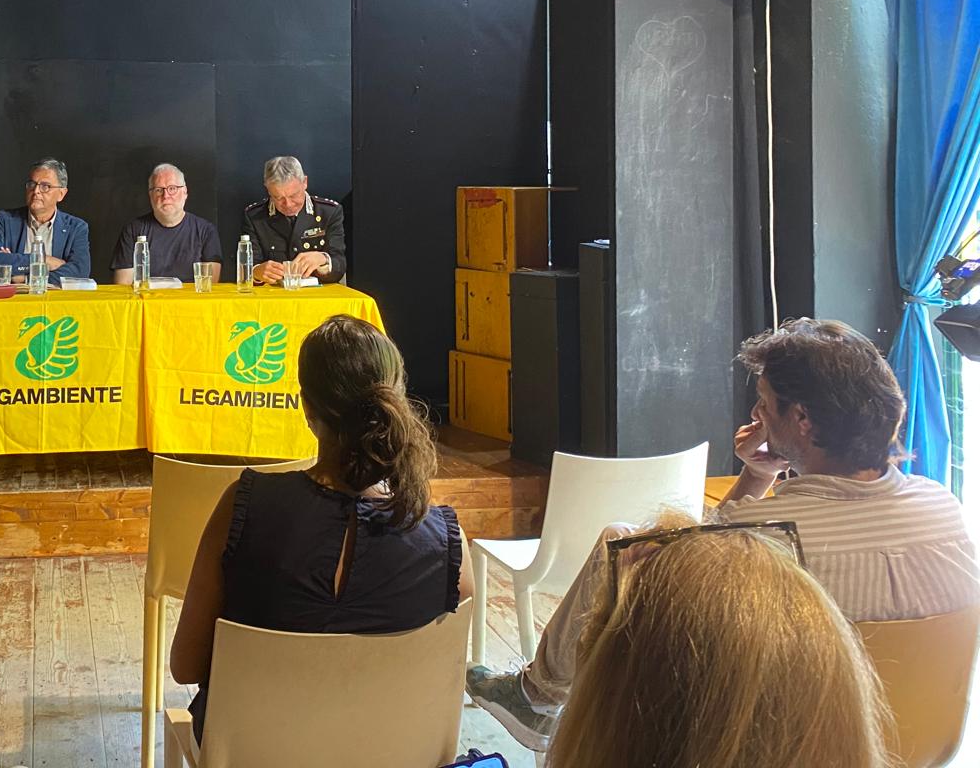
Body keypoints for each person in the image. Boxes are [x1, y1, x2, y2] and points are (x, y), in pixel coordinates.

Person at [469, 316, 980, 751]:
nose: (756, 415)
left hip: (793, 745)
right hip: (919, 742)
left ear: (802, 417)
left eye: (765, 403)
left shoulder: (766, 536)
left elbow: (697, 552)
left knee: (619, 545)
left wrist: (753, 477)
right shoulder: (944, 507)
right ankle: (536, 695)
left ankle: (537, 696)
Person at [170, 315, 471, 732]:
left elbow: (186, 665)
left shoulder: (243, 506)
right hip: (386, 752)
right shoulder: (446, 543)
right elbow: (444, 682)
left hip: (255, 749)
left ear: (306, 407)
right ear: (396, 399)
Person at [547, 522, 891, 768]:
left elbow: (711, 562)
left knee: (617, 533)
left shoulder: (758, 520)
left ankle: (539, 690)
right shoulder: (930, 507)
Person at [0, 158, 91, 284]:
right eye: (32, 184)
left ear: (61, 194)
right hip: (14, 296)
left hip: (57, 296)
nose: (36, 191)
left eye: (45, 186)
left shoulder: (76, 227)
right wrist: (44, 260)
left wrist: (24, 278)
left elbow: (80, 272)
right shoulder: (4, 220)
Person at [242, 156, 347, 284]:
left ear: (305, 182)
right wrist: (257, 272)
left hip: (318, 293)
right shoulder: (255, 216)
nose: (288, 204)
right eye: (278, 198)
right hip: (273, 293)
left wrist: (323, 259)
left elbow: (340, 264)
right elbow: (247, 267)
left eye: (294, 195)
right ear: (268, 190)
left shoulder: (328, 212)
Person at [111, 163, 222, 283]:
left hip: (191, 296)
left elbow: (210, 287)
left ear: (185, 192)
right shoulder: (133, 230)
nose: (166, 196)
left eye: (172, 188)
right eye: (159, 190)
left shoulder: (206, 231)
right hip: (147, 296)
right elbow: (123, 286)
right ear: (150, 195)